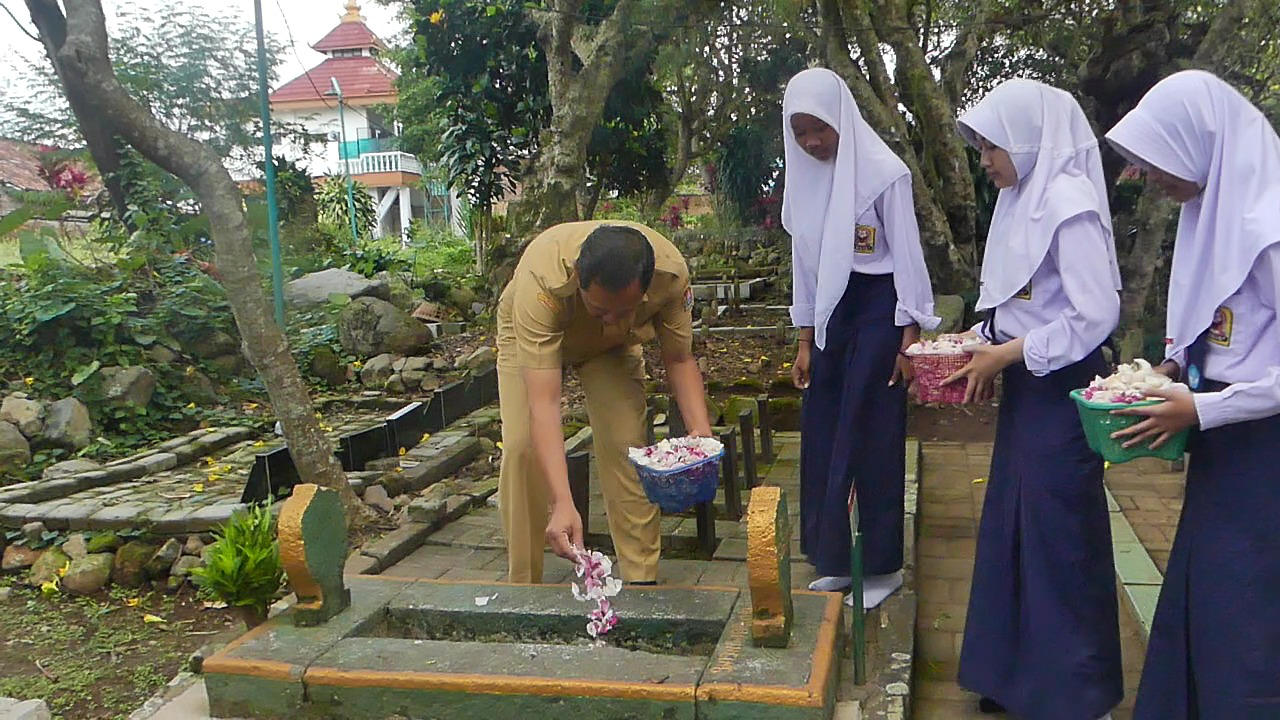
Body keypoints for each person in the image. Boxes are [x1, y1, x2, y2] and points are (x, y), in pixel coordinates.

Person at [945, 79, 1124, 720]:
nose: (986, 160)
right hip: (1027, 389)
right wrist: (977, 339)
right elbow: (1022, 301)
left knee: (1060, 533)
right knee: (1014, 525)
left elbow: (1095, 313)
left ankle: (1074, 692)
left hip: (1061, 390)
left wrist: (1008, 354)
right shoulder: (1019, 201)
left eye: (993, 146)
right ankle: (1014, 677)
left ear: (1027, 139)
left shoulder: (1067, 201)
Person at [1105, 70, 1280, 720]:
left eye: (1158, 164)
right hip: (1221, 450)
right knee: (1204, 595)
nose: (1152, 180)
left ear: (1200, 144)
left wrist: (1203, 407)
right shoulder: (1212, 217)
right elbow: (1219, 327)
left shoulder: (1268, 225)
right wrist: (1175, 372)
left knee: (1245, 610)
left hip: (1263, 453)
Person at [782, 67, 940, 611]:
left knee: (870, 427)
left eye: (819, 129)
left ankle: (880, 565)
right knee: (824, 425)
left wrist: (909, 338)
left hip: (880, 310)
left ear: (841, 117)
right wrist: (805, 339)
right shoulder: (804, 178)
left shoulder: (883, 174)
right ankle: (833, 558)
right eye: (800, 132)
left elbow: (909, 257)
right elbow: (803, 262)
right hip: (831, 314)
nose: (811, 142)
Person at [495, 221, 713, 584]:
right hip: (532, 335)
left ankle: (642, 580)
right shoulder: (541, 280)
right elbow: (545, 404)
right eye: (600, 310)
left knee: (626, 444)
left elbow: (679, 359)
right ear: (579, 277)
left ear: (644, 290)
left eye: (624, 310)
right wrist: (564, 502)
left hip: (612, 348)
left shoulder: (670, 275)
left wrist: (701, 437)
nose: (611, 318)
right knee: (521, 448)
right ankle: (524, 584)